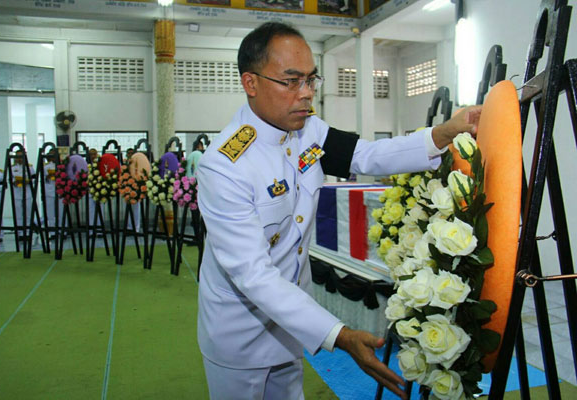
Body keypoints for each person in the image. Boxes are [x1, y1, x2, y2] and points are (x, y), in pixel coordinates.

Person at [196, 22, 481, 400]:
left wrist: (441, 134)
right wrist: (339, 335)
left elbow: (367, 155)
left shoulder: (308, 130)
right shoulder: (225, 165)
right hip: (241, 333)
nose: (306, 94)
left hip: (291, 322)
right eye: (292, 81)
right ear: (251, 83)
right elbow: (253, 274)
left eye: (312, 80)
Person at [11, 149, 35, 238]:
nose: (19, 159)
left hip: (27, 193)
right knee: (18, 214)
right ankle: (20, 233)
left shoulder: (29, 167)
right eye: (18, 157)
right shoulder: (12, 168)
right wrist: (14, 181)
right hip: (17, 193)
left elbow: (34, 178)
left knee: (28, 213)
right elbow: (9, 179)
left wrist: (29, 181)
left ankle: (28, 232)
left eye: (21, 157)